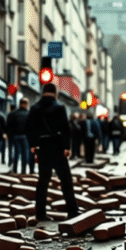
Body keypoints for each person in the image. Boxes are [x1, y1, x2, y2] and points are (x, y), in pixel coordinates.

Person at [27, 83, 80, 221]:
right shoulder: (59, 107)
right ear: (55, 92)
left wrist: (33, 145)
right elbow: (65, 128)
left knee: (43, 181)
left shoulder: (34, 108)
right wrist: (66, 147)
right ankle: (72, 211)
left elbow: (29, 128)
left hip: (42, 148)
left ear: (43, 92)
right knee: (65, 181)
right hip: (57, 148)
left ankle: (40, 213)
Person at [6, 98, 33, 175]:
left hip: (15, 136)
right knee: (25, 154)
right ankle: (23, 171)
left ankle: (15, 170)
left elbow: (9, 126)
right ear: (26, 104)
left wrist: (10, 136)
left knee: (16, 153)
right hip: (25, 136)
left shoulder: (13, 113)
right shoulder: (29, 114)